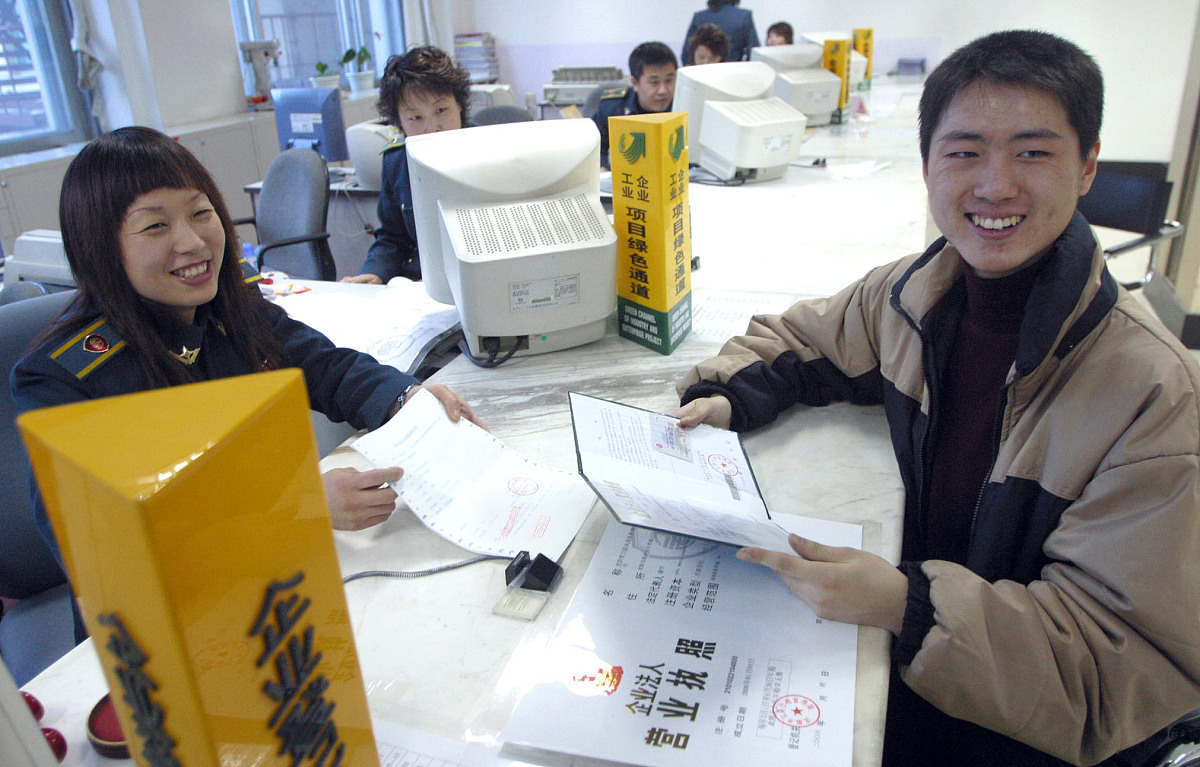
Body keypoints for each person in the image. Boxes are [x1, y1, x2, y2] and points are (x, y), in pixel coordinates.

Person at [674, 30, 1200, 766]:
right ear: (927, 166)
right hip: (922, 673)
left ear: (1087, 169)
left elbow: (1117, 664)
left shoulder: (1152, 394)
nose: (993, 185)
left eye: (1033, 152)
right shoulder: (915, 294)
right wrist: (727, 396)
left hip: (1021, 734)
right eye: (963, 152)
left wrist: (905, 604)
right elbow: (802, 338)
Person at [12, 126, 484, 556]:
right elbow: (100, 540)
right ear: (101, 247)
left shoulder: (226, 307)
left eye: (201, 213)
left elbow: (324, 367)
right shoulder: (66, 379)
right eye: (156, 225)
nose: (194, 242)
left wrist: (404, 397)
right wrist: (298, 505)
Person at [343, 46, 471, 284]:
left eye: (441, 110)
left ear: (459, 105)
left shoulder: (491, 150)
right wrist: (374, 272)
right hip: (420, 287)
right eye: (416, 118)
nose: (432, 128)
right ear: (399, 122)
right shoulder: (397, 161)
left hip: (480, 282)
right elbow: (393, 238)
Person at [592, 41, 677, 170]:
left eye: (669, 80)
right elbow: (595, 147)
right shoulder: (613, 108)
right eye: (654, 82)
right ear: (635, 83)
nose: (663, 90)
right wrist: (601, 167)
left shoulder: (684, 106)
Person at [682, 0, 759, 64]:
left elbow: (686, 56)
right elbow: (754, 54)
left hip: (700, 76)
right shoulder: (744, 17)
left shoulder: (699, 17)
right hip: (733, 75)